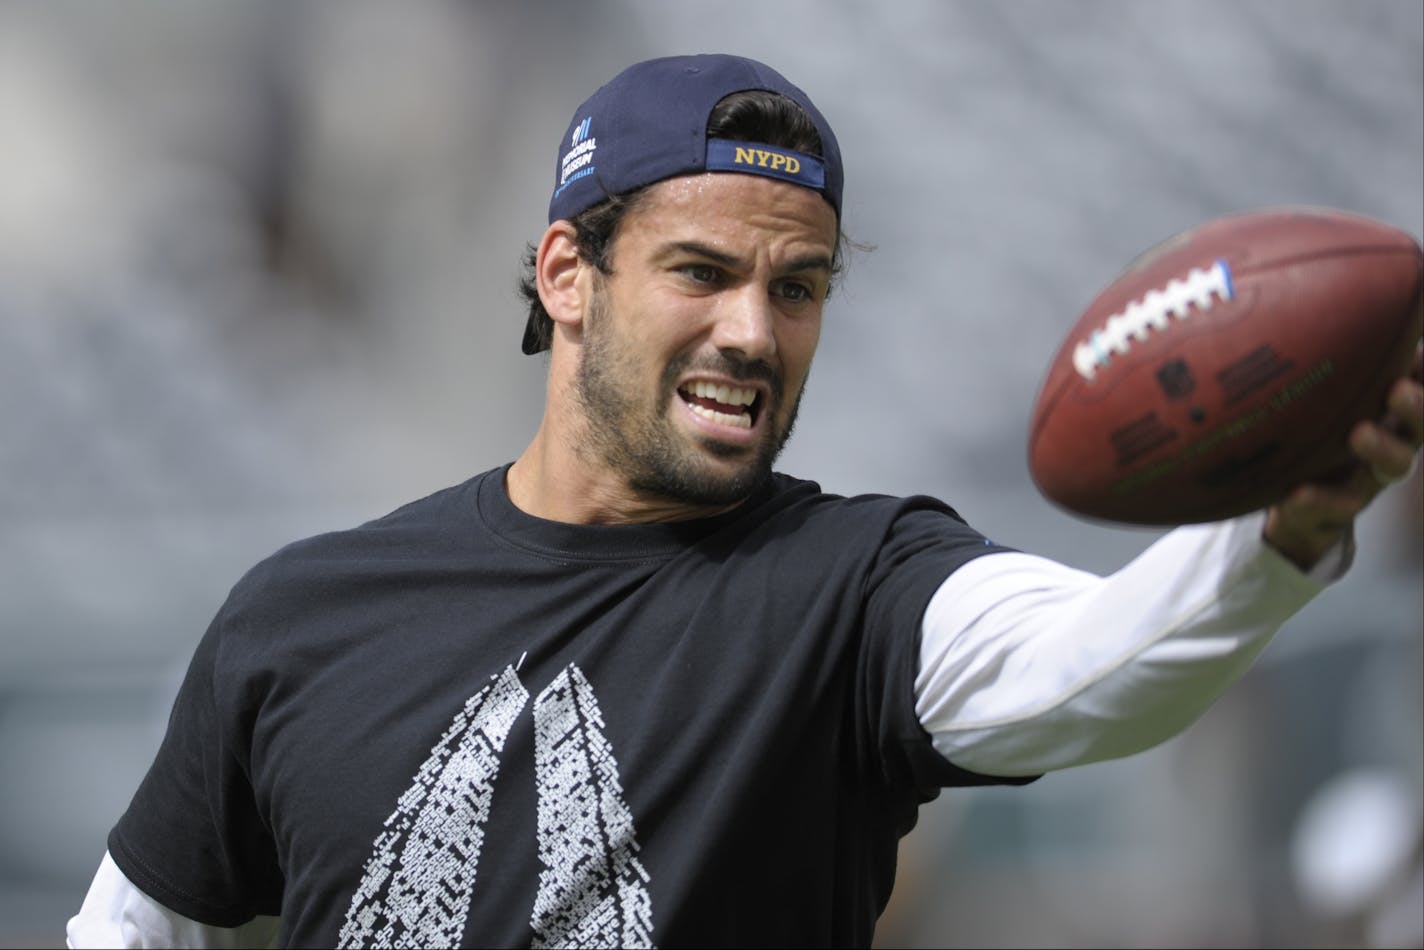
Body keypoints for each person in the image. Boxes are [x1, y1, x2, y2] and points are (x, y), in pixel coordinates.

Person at [67, 53, 1423, 949]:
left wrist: (1279, 529)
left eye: (799, 286)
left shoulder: (853, 586)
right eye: (701, 273)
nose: (753, 332)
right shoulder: (304, 613)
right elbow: (129, 927)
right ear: (565, 275)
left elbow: (1095, 669)